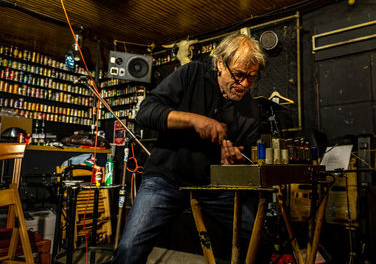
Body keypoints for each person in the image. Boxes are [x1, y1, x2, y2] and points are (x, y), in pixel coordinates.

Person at [112, 33, 270, 264]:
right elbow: (145, 113)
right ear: (220, 64)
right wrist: (194, 120)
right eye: (239, 75)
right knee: (129, 250)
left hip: (212, 187)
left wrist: (233, 163)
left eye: (251, 78)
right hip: (166, 179)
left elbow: (240, 162)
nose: (244, 84)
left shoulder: (252, 111)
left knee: (261, 242)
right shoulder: (192, 74)